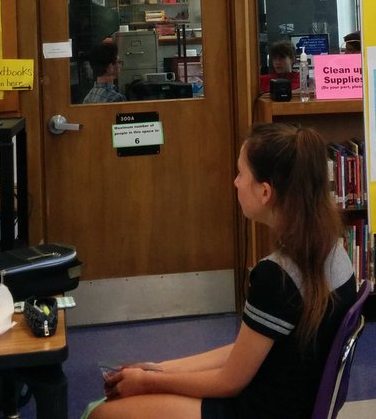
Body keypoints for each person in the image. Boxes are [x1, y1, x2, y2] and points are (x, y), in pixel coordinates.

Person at [91, 123, 356, 419]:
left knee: (104, 414)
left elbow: (229, 382)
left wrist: (150, 382)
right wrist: (156, 369)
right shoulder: (335, 252)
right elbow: (241, 354)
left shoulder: (275, 277)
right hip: (292, 402)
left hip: (257, 411)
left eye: (242, 174)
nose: (235, 182)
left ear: (265, 191)